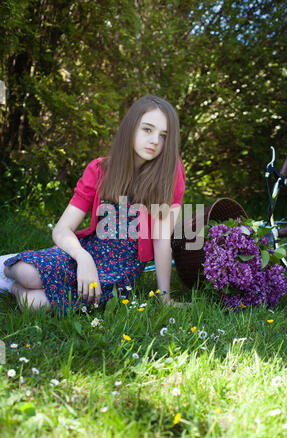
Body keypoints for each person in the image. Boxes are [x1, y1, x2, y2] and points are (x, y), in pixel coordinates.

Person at [0, 95, 186, 315]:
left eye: (163, 135)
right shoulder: (99, 169)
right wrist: (83, 258)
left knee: (34, 304)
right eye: (147, 129)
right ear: (131, 128)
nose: (155, 140)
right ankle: (9, 267)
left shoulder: (170, 173)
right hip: (87, 253)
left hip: (121, 272)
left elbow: (162, 238)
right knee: (26, 273)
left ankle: (10, 286)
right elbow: (62, 229)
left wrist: (165, 297)